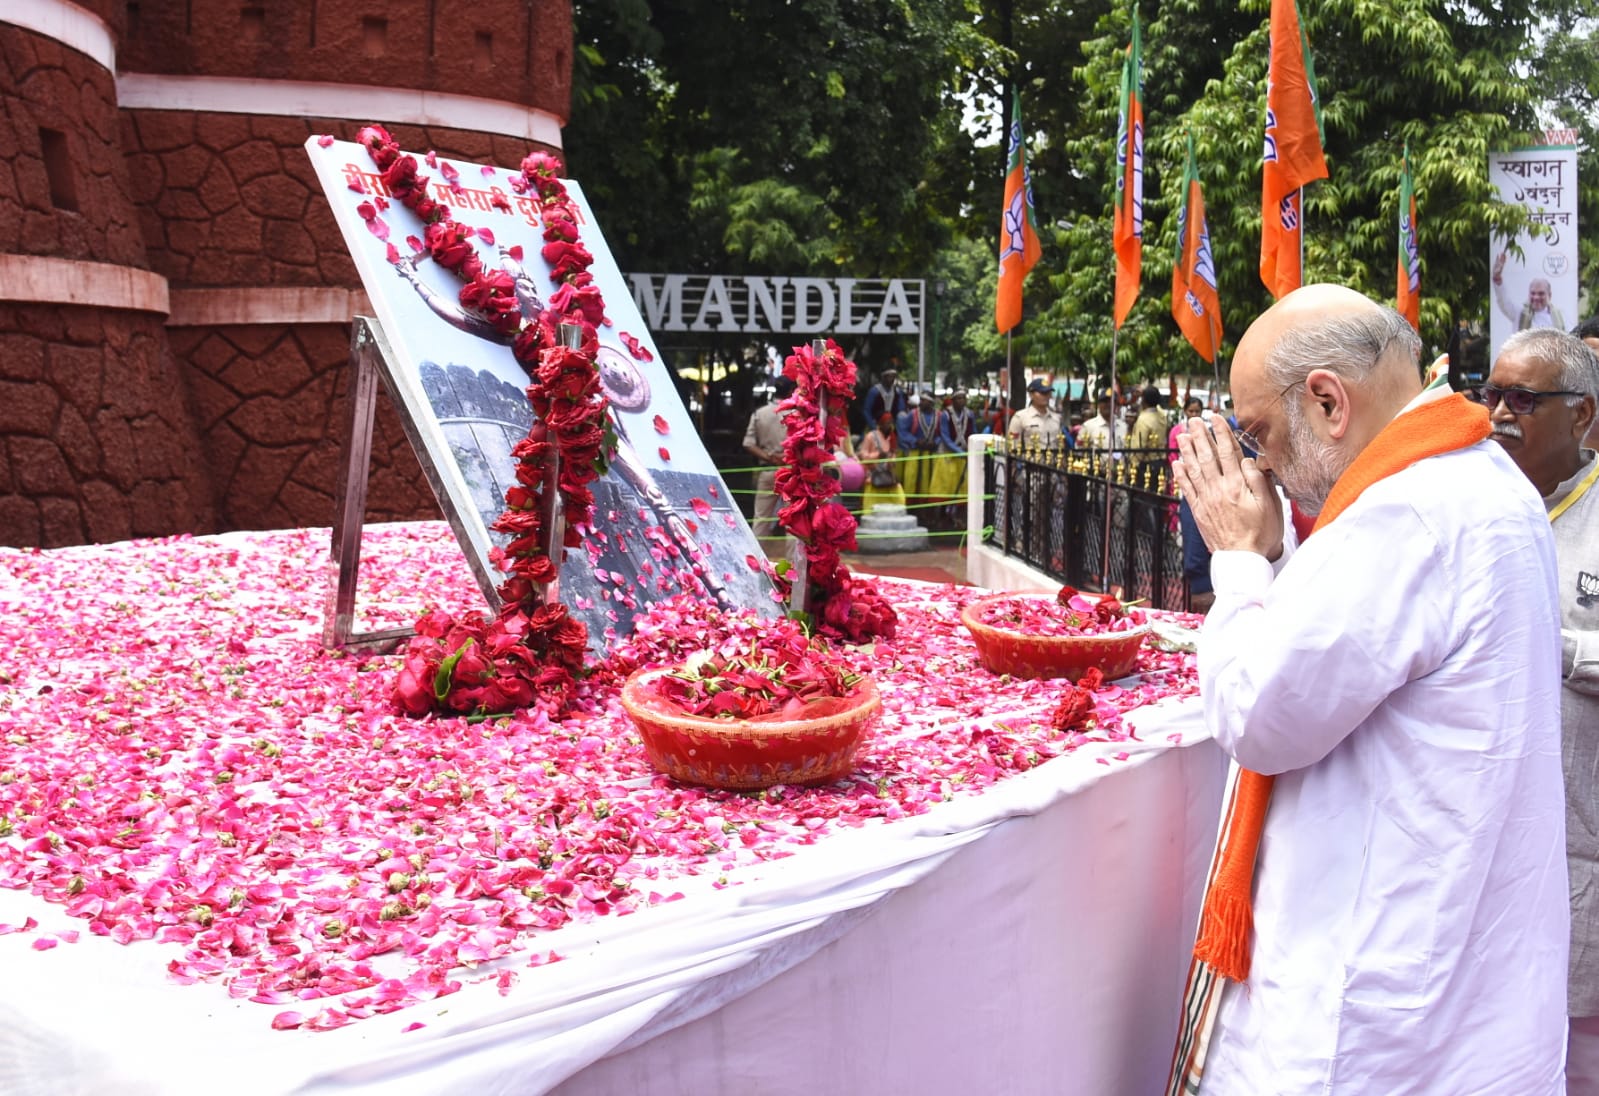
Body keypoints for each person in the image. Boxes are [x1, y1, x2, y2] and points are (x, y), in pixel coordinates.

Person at [1168, 284, 1568, 1094]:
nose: (1262, 466)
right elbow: (1331, 658)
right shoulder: (1474, 477)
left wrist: (1239, 560)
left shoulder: (1407, 511)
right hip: (1449, 988)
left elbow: (1261, 712)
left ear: (1325, 402)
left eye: (1261, 435)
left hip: (1370, 1013)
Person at [1480, 328, 1599, 1094]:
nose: (1496, 415)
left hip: (1580, 855)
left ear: (1582, 415)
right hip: (1482, 851)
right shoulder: (1472, 505)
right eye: (1488, 393)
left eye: (1522, 399)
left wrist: (1558, 649)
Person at [742, 375, 796, 538]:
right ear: (791, 391)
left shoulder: (760, 413)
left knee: (761, 519)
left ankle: (755, 561)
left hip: (767, 469)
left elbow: (748, 443)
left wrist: (769, 457)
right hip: (791, 473)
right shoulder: (797, 414)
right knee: (794, 521)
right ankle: (795, 562)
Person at [930, 388, 977, 530]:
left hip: (963, 454)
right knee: (945, 486)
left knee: (963, 486)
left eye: (963, 398)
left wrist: (971, 447)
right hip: (947, 454)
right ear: (953, 400)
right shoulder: (945, 415)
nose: (961, 401)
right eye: (958, 398)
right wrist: (958, 451)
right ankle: (942, 517)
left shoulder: (969, 414)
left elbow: (973, 432)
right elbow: (944, 435)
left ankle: (960, 518)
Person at [1494, 252, 1567, 331]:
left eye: (1541, 293)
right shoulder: (1519, 313)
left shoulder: (1560, 317)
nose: (1536, 297)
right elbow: (1503, 301)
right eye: (1533, 293)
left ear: (1549, 295)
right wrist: (1497, 278)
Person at [896, 392, 941, 515]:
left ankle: (928, 511)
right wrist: (915, 440)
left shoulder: (939, 415)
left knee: (930, 481)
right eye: (920, 400)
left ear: (931, 403)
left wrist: (935, 442)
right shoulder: (913, 414)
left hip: (932, 454)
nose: (921, 403)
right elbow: (903, 432)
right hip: (915, 453)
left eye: (924, 400)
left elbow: (942, 433)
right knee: (912, 480)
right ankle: (912, 510)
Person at [857, 412, 904, 514]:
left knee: (900, 499)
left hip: (888, 475)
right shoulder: (870, 436)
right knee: (870, 509)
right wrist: (877, 455)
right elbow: (862, 456)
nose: (889, 426)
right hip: (873, 476)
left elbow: (893, 454)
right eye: (887, 423)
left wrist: (892, 461)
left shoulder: (891, 438)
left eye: (890, 423)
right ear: (881, 424)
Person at [1129, 385, 1170, 490]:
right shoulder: (1162, 416)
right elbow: (1157, 407)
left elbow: (1139, 446)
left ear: (1143, 400)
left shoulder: (1143, 419)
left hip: (1146, 463)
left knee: (1143, 498)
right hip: (1160, 461)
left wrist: (1133, 465)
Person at [1005, 377, 1062, 445]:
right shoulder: (1020, 417)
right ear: (1031, 395)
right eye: (1042, 393)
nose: (1045, 396)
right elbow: (1012, 444)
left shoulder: (1056, 418)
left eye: (1048, 393)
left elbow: (1060, 443)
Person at [862, 367, 907, 431]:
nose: (892, 379)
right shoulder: (874, 391)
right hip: (876, 423)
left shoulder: (897, 392)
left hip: (891, 425)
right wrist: (872, 425)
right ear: (883, 377)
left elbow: (901, 410)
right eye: (890, 377)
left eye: (893, 377)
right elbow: (866, 410)